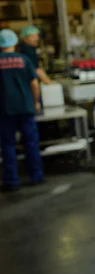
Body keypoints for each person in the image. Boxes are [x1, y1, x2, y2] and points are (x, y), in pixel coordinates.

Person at [0, 29, 44, 192]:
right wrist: (36, 101)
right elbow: (34, 84)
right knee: (31, 143)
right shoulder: (24, 60)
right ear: (15, 42)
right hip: (25, 107)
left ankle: (11, 180)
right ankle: (36, 176)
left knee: (8, 145)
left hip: (4, 110)